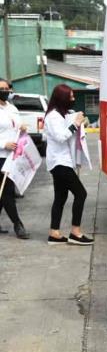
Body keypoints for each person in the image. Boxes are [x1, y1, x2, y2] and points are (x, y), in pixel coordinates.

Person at [44, 84, 93, 246]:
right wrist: (76, 124)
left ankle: (54, 233)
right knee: (81, 194)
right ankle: (75, 232)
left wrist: (75, 119)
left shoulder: (60, 114)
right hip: (59, 163)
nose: (73, 100)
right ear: (62, 99)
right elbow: (60, 136)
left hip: (62, 161)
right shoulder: (53, 117)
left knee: (61, 197)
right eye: (70, 97)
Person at [0, 78, 29, 239]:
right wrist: (4, 144)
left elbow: (16, 125)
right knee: (7, 191)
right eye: (1, 88)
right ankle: (18, 225)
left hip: (12, 156)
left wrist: (22, 127)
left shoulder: (11, 107)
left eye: (6, 88)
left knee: (3, 190)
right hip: (1, 155)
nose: (5, 91)